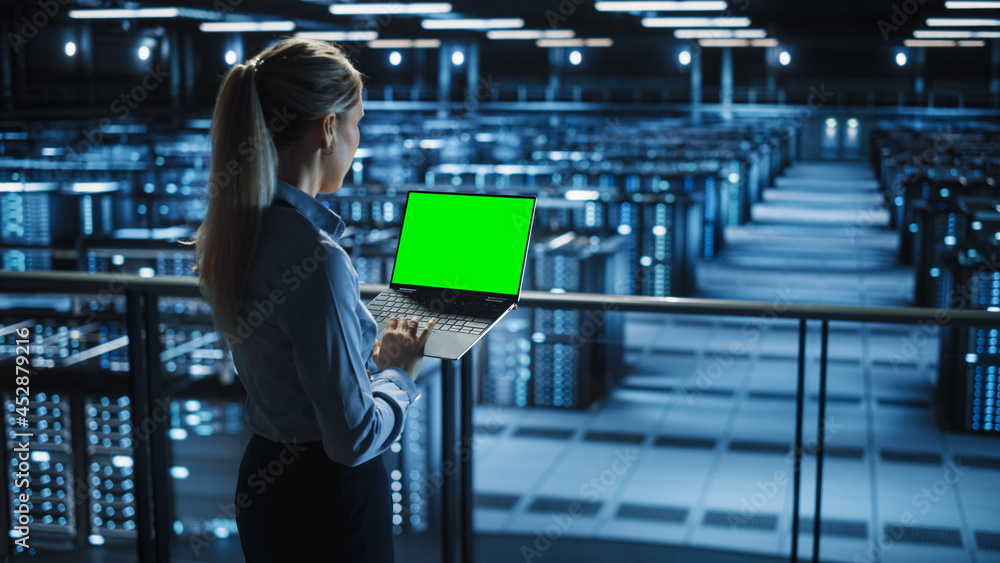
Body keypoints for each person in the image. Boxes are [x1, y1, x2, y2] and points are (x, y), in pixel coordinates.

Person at [185, 37, 434, 562]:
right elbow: (353, 439)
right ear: (327, 127)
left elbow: (292, 366)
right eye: (357, 122)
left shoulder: (237, 233)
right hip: (329, 500)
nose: (357, 140)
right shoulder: (316, 258)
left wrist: (362, 353)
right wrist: (400, 376)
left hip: (266, 480)